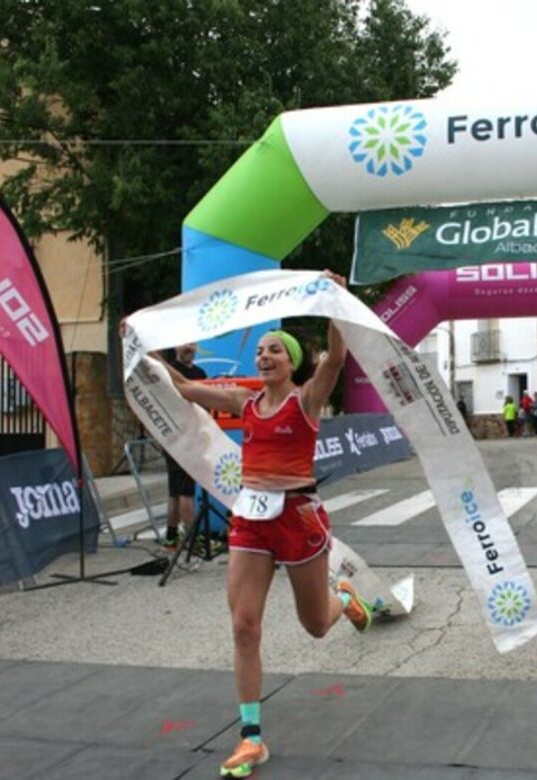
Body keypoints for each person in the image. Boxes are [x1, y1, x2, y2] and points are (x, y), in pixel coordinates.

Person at [157, 271, 374, 779]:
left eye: (274, 349)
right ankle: (251, 738)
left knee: (315, 627)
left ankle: (343, 599)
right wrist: (143, 350)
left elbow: (337, 359)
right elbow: (186, 388)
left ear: (292, 362)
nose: (264, 356)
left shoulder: (307, 400)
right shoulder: (243, 403)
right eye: (260, 350)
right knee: (243, 624)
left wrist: (333, 301)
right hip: (252, 522)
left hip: (297, 520)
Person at [161, 343, 206, 551]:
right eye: (184, 344)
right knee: (185, 492)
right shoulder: (169, 371)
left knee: (175, 491)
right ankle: (191, 540)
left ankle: (171, 537)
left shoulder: (200, 373)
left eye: (192, 344)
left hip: (187, 436)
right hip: (178, 437)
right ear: (176, 347)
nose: (189, 347)